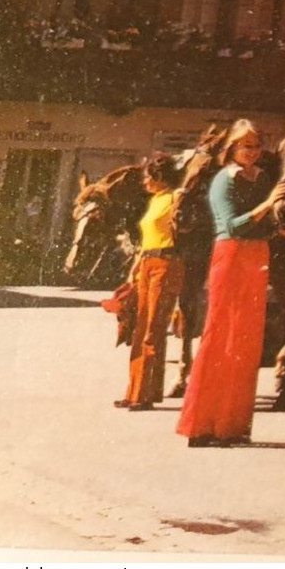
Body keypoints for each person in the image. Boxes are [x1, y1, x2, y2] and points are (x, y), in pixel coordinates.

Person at [176, 119, 276, 448]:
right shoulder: (224, 179)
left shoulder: (261, 178)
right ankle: (202, 425)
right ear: (232, 148)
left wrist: (280, 228)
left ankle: (231, 426)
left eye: (256, 145)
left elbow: (264, 224)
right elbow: (233, 226)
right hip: (231, 255)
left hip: (257, 255)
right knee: (221, 336)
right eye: (246, 145)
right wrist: (268, 205)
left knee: (246, 343)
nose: (252, 151)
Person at [116, 155, 185, 411]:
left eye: (148, 176)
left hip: (167, 262)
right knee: (140, 325)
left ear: (159, 177)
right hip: (146, 263)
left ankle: (143, 394)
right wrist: (135, 266)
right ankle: (136, 390)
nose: (145, 181)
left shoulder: (175, 197)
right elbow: (148, 238)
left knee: (153, 328)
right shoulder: (155, 199)